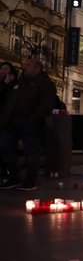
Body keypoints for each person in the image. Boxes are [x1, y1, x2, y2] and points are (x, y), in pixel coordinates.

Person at [0, 57, 57, 190]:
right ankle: (13, 177)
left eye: (28, 65)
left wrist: (32, 121)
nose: (24, 67)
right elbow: (10, 102)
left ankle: (30, 180)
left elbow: (45, 106)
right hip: (11, 124)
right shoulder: (19, 83)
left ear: (37, 68)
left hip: (30, 124)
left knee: (32, 152)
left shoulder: (45, 84)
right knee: (6, 148)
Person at [0, 61, 19, 183]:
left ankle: (11, 175)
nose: (2, 71)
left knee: (7, 148)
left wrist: (6, 84)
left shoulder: (15, 86)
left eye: (5, 68)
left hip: (8, 123)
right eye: (1, 68)